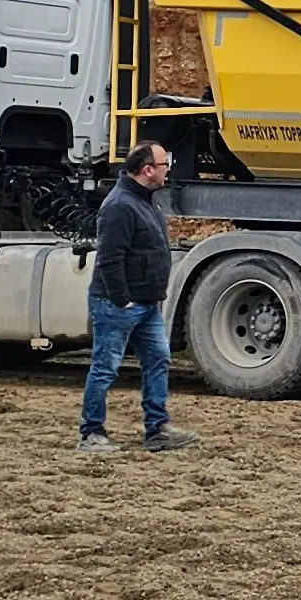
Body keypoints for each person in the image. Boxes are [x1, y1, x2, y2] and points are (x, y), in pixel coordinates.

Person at [78, 140, 195, 454]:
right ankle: (91, 433)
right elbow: (109, 259)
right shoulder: (119, 206)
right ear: (147, 170)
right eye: (164, 164)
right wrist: (121, 300)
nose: (168, 169)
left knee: (158, 360)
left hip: (146, 304)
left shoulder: (145, 200)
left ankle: (157, 429)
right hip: (119, 305)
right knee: (105, 368)